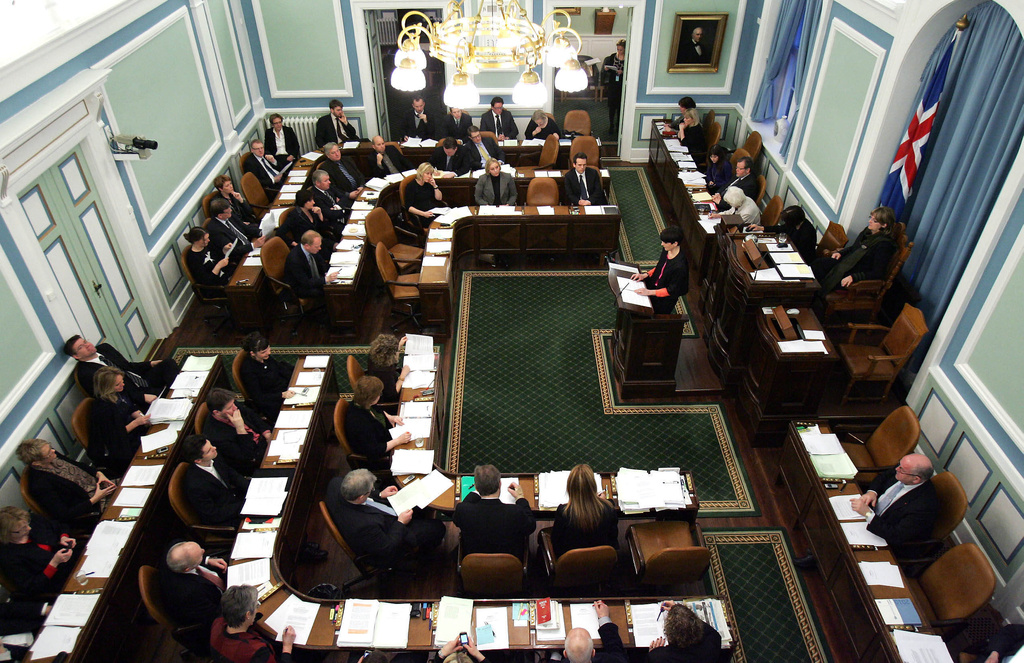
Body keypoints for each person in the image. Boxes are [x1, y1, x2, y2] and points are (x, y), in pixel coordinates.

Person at [324, 468, 446, 568]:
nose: (372, 489)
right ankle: (425, 554)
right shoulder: (364, 526)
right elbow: (388, 548)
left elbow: (362, 492)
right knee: (437, 527)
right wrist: (401, 523)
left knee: (423, 502)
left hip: (384, 514)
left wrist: (379, 494)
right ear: (361, 497)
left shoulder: (336, 483)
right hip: (391, 532)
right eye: (371, 489)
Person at [851, 453, 939, 548]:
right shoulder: (905, 471)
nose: (897, 469)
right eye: (899, 464)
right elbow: (882, 477)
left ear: (916, 479)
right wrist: (872, 492)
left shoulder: (924, 506)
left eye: (901, 469)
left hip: (884, 538)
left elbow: (896, 535)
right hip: (868, 515)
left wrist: (868, 514)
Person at [17, 438, 115, 524]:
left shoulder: (53, 455)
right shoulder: (40, 485)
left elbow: (78, 465)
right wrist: (96, 498)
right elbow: (64, 515)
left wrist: (99, 474)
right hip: (93, 505)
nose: (53, 452)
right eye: (48, 453)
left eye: (51, 448)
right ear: (37, 463)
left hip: (101, 487)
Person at [158, 539, 227, 656]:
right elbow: (216, 616)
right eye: (201, 555)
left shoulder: (173, 551)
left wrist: (207, 560)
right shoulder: (189, 594)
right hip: (213, 616)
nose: (203, 550)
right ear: (187, 568)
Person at [65, 334, 179, 404]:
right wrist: (140, 397)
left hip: (141, 379)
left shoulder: (104, 348)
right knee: (164, 395)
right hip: (133, 394)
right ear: (76, 356)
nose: (87, 345)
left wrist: (150, 364)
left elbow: (128, 366)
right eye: (81, 347)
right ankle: (176, 395)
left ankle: (178, 391)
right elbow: (108, 397)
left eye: (85, 341)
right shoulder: (85, 373)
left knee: (168, 363)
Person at [453, 464, 535, 559]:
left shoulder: (463, 510)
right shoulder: (516, 512)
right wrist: (520, 498)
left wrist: (475, 492)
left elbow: (457, 519)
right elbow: (531, 526)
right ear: (500, 484)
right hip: (509, 564)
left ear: (476, 486)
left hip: (475, 564)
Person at [810, 207, 897, 293]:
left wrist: (854, 277)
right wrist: (841, 253)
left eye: (875, 221)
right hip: (846, 264)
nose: (869, 221)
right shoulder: (867, 232)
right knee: (819, 264)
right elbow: (853, 248)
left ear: (884, 225)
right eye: (871, 218)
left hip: (854, 274)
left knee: (821, 273)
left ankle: (810, 295)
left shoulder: (884, 245)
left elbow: (877, 273)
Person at [0, 507, 78, 597]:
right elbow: (32, 587)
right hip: (59, 580)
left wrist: (64, 536)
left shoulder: (33, 521)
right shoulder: (9, 556)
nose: (29, 528)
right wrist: (54, 563)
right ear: (7, 534)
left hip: (73, 559)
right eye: (22, 528)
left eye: (27, 524)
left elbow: (59, 525)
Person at [210, 585, 296, 663]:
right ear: (247, 615)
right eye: (256, 606)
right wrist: (287, 647)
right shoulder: (257, 651)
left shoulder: (217, 623)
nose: (257, 609)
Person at [89, 366, 149, 477]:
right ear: (107, 387)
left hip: (134, 430)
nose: (123, 385)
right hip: (121, 445)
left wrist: (142, 417)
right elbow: (116, 435)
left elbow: (130, 407)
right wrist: (137, 423)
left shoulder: (119, 391)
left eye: (122, 381)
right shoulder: (104, 409)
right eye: (118, 384)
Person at [551, 464, 618, 557]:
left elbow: (555, 543)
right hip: (601, 564)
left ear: (570, 487)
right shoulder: (609, 509)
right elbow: (613, 538)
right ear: (593, 487)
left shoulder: (563, 512)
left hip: (571, 565)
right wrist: (604, 501)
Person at [181, 435, 247, 528]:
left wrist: (252, 488)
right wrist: (244, 505)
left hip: (234, 500)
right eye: (209, 450)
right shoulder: (196, 486)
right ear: (198, 460)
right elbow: (214, 515)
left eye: (211, 445)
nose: (214, 448)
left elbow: (232, 474)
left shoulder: (213, 456)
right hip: (225, 520)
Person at [202, 387, 271, 476]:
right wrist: (240, 429)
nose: (235, 408)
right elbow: (247, 456)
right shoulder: (216, 436)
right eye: (230, 407)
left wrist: (267, 433)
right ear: (217, 412)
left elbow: (252, 415)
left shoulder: (231, 405)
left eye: (234, 403)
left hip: (265, 440)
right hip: (256, 460)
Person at [345, 376, 411, 459]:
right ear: (371, 399)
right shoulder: (360, 423)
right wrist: (398, 441)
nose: (380, 396)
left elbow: (378, 411)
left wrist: (391, 417)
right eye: (379, 394)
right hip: (381, 456)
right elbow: (375, 450)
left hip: (388, 436)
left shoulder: (363, 403)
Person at [630, 226, 689, 315]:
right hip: (654, 285)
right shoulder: (667, 249)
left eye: (665, 242)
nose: (662, 244)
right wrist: (645, 275)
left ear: (675, 243)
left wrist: (649, 292)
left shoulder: (680, 267)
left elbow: (671, 291)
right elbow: (660, 267)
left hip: (663, 300)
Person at [238, 332, 294, 424]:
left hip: (286, 389)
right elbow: (259, 398)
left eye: (268, 348)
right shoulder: (248, 371)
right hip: (273, 401)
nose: (269, 352)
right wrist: (282, 395)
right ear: (252, 353)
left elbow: (278, 367)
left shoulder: (266, 357)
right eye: (263, 352)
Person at [646, 601, 721, 663]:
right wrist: (680, 612)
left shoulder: (660, 657)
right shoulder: (713, 640)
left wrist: (654, 652)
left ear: (670, 636)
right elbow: (702, 626)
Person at [749, 205, 817, 264]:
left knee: (766, 259)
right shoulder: (795, 222)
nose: (785, 223)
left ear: (793, 221)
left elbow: (800, 252)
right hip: (788, 250)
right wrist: (762, 228)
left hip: (799, 258)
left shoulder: (807, 233)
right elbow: (781, 228)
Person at [284, 229, 340, 299]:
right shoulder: (295, 260)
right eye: (317, 246)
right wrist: (325, 279)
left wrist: (326, 272)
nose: (319, 248)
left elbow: (321, 261)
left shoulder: (312, 248)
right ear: (307, 246)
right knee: (329, 292)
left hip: (311, 278)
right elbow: (305, 282)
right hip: (299, 287)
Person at [208, 197, 266, 263]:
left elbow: (245, 227)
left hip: (248, 246)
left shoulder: (229, 214)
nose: (231, 211)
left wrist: (261, 232)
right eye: (228, 211)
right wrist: (254, 245)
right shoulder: (215, 230)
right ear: (220, 216)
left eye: (230, 208)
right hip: (238, 257)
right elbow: (232, 251)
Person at [366, 333, 410, 412]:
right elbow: (392, 395)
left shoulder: (373, 354)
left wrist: (399, 346)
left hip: (381, 384)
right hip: (386, 399)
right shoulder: (385, 372)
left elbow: (392, 361)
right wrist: (402, 376)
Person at [308, 169, 349, 237]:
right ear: (318, 183)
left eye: (328, 179)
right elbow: (329, 214)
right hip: (332, 223)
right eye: (326, 180)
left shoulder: (328, 187)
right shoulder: (315, 197)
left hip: (339, 214)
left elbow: (344, 197)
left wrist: (337, 207)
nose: (329, 182)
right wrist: (344, 211)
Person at [602, 40, 626, 133]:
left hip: (621, 84)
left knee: (620, 107)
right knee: (612, 107)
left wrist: (622, 72)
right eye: (618, 49)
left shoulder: (628, 58)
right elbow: (609, 69)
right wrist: (607, 68)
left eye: (621, 50)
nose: (619, 51)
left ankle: (618, 125)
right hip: (613, 84)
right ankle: (611, 125)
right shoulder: (613, 56)